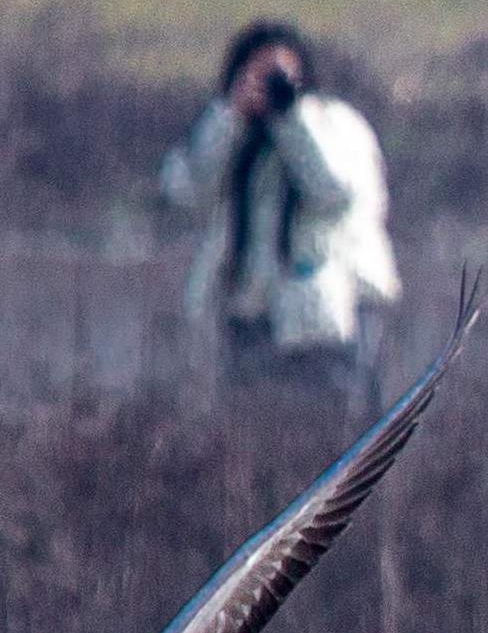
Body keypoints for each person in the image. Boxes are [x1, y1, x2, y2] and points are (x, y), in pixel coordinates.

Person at [157, 20, 400, 395]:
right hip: (249, 312)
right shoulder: (231, 133)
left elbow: (333, 192)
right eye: (259, 77)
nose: (270, 88)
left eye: (281, 76)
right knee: (250, 433)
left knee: (336, 435)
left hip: (328, 317)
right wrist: (230, 117)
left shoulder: (335, 125)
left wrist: (291, 119)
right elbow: (186, 192)